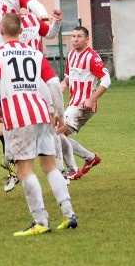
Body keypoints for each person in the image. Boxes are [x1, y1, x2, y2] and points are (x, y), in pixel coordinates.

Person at [0, 13, 77, 236]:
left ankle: (41, 221)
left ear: (1, 30)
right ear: (20, 30)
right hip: (40, 112)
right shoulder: (35, 53)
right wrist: (59, 113)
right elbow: (54, 83)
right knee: (50, 166)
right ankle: (68, 214)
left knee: (24, 170)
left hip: (18, 116)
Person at [0, 8, 63, 192]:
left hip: (37, 75)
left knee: (50, 121)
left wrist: (57, 22)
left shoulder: (33, 20)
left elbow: (50, 33)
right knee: (8, 121)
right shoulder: (5, 19)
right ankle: (13, 166)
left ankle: (59, 167)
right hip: (17, 79)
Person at [56, 26, 108, 181]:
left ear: (87, 39)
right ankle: (89, 158)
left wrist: (92, 99)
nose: (75, 39)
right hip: (73, 104)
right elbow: (68, 77)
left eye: (79, 36)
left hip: (84, 106)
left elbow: (107, 80)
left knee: (55, 135)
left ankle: (71, 170)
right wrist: (63, 85)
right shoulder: (71, 55)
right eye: (73, 36)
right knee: (56, 136)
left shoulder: (92, 57)